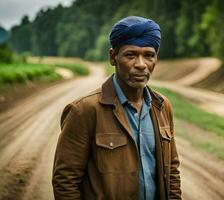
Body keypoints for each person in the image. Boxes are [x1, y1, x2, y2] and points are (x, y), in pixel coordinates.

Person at [52, 16, 181, 200]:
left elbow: (172, 171)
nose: (141, 64)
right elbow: (65, 180)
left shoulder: (162, 107)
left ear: (156, 59)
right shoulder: (84, 110)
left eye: (148, 55)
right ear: (113, 57)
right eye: (131, 55)